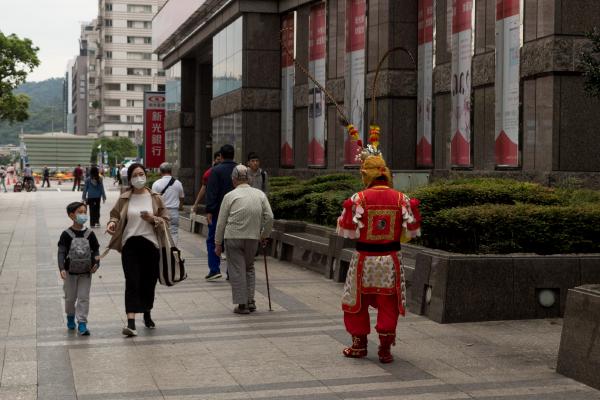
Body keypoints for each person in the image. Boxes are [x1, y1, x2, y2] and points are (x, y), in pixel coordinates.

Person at [336, 152, 421, 364]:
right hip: (389, 260)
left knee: (357, 300)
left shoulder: (359, 199)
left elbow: (348, 231)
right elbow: (411, 231)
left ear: (367, 174)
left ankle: (359, 345)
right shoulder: (402, 199)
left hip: (364, 260)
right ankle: (384, 349)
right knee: (388, 302)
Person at [106, 163, 170, 337]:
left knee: (148, 282)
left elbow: (166, 220)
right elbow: (115, 215)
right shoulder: (125, 197)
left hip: (151, 245)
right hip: (130, 245)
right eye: (135, 175)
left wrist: (152, 219)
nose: (139, 178)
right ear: (130, 178)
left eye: (141, 174)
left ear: (146, 175)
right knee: (132, 282)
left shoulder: (155, 197)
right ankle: (131, 323)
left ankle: (147, 312)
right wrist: (112, 223)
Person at [215, 165, 273, 314]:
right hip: (253, 237)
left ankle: (242, 305)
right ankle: (251, 301)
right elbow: (270, 217)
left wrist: (217, 243)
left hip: (233, 237)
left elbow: (221, 222)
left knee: (237, 270)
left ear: (234, 180)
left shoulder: (230, 196)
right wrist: (264, 235)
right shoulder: (260, 194)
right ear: (249, 179)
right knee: (249, 267)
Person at [57, 202, 100, 336]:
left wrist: (97, 264)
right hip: (70, 272)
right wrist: (62, 268)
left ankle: (82, 323)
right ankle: (70, 317)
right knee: (70, 298)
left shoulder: (90, 233)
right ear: (71, 215)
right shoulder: (66, 234)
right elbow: (61, 252)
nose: (83, 215)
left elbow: (96, 250)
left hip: (86, 272)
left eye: (84, 212)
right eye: (79, 212)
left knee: (83, 298)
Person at [205, 145, 237, 281]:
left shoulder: (216, 171)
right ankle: (232, 271)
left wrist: (209, 211)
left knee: (213, 240)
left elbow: (211, 192)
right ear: (233, 155)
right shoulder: (239, 170)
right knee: (233, 241)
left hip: (219, 212)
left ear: (221, 156)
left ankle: (214, 269)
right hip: (237, 212)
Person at [152, 162, 185, 244]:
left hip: (161, 212)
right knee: (174, 232)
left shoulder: (156, 183)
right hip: (174, 212)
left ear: (160, 171)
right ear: (171, 171)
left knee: (161, 233)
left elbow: (153, 200)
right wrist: (180, 207)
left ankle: (163, 253)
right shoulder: (178, 183)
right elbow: (182, 198)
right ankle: (173, 253)